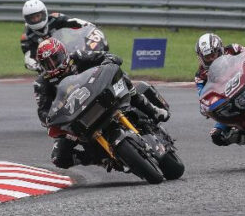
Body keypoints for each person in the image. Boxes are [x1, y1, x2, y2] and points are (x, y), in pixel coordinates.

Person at [32, 38, 170, 170]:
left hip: (100, 96)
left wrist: (109, 61)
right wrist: (50, 119)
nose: (53, 65)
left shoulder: (78, 56)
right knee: (58, 158)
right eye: (47, 64)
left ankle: (153, 110)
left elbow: (106, 56)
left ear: (63, 53)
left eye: (54, 59)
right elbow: (43, 111)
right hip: (76, 116)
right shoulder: (41, 83)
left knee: (120, 74)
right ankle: (99, 159)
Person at [19, 0, 88, 71]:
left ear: (44, 13)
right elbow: (29, 58)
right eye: (32, 18)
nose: (36, 19)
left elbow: (73, 22)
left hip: (67, 54)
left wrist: (87, 26)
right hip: (49, 68)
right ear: (27, 19)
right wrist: (36, 66)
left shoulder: (55, 18)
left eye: (38, 16)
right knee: (38, 82)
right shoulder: (26, 37)